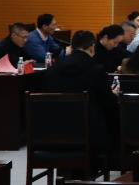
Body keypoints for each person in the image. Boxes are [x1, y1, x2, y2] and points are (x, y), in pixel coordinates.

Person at [42, 29, 118, 157]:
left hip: (54, 129)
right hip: (88, 132)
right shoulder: (96, 69)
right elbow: (108, 101)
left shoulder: (53, 69)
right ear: (92, 47)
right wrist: (113, 94)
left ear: (72, 47)